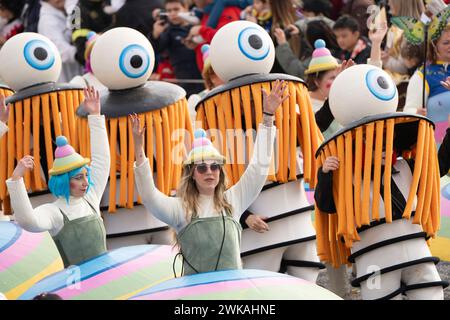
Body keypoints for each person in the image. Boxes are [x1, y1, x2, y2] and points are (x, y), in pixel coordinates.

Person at [132, 80, 288, 275]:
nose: (209, 171)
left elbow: (259, 167)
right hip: (195, 297)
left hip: (231, 294)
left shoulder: (233, 200)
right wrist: (139, 149)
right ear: (191, 175)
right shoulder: (180, 208)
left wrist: (268, 117)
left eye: (215, 167)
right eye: (202, 168)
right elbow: (149, 196)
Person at [6, 86, 110, 267]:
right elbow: (27, 221)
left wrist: (95, 116)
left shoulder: (91, 198)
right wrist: (16, 179)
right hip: (75, 286)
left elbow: (102, 160)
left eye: (86, 176)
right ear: (63, 181)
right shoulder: (54, 212)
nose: (86, 182)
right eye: (78, 178)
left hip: (105, 278)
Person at [404, 24, 450, 144]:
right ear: (434, 46)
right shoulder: (423, 75)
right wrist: (416, 113)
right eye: (446, 43)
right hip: (438, 147)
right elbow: (408, 110)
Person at [151, 0, 204, 96]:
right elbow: (157, 49)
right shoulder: (168, 31)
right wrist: (156, 34)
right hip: (184, 82)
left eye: (176, 9)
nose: (172, 13)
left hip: (204, 78)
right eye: (169, 10)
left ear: (186, 9)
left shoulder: (199, 23)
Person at [38, 0, 83, 83]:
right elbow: (58, 49)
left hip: (80, 70)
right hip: (67, 76)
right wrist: (80, 54)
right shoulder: (47, 21)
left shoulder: (72, 8)